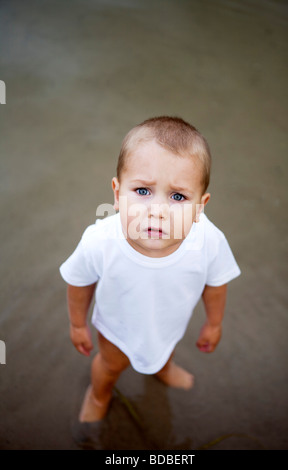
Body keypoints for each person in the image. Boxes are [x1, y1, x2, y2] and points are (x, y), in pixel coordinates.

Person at [59, 116, 241, 423]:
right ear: (117, 194)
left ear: (200, 206)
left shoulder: (208, 240)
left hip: (169, 325)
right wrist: (78, 324)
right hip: (117, 329)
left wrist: (214, 322)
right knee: (110, 365)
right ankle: (99, 395)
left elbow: (216, 283)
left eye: (178, 196)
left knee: (164, 349)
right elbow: (79, 282)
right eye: (143, 191)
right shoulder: (101, 240)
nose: (157, 210)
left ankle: (163, 367)